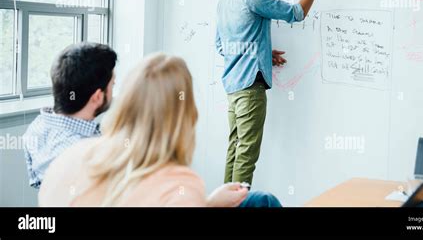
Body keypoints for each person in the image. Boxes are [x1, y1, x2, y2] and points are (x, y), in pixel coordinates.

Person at [39, 53, 281, 207]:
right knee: (264, 202)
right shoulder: (179, 183)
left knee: (258, 201)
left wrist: (206, 203)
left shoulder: (68, 158)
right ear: (185, 115)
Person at [216, 0, 328, 186]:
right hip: (249, 89)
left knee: (235, 149)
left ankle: (224, 202)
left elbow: (221, 45)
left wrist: (262, 53)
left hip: (233, 88)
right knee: (246, 155)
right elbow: (297, 13)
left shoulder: (225, 1)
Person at [23, 42, 117, 188]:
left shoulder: (36, 127)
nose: (113, 91)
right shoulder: (91, 153)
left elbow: (37, 183)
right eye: (112, 85)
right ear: (97, 97)